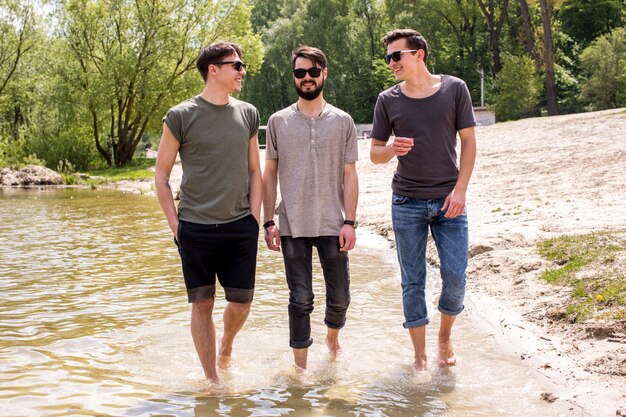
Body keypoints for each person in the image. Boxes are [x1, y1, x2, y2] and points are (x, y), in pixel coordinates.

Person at [369, 29, 477, 371]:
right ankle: (418, 355)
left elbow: (469, 143)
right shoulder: (388, 100)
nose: (390, 63)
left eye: (395, 56)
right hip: (406, 202)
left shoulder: (454, 89)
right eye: (387, 57)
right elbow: (374, 154)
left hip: (450, 201)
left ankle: (445, 336)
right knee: (412, 281)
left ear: (419, 55)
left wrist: (460, 190)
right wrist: (390, 150)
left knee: (456, 276)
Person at [155, 42, 262, 382]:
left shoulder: (248, 113)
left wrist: (255, 218)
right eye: (237, 65)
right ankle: (212, 380)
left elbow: (255, 171)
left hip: (240, 225)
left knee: (241, 304)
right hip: (195, 227)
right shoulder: (180, 115)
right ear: (213, 70)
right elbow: (161, 174)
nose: (242, 71)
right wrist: (176, 225)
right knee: (202, 305)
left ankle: (227, 343)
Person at [262, 46, 359, 370]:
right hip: (292, 225)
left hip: (334, 224)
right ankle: (300, 371)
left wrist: (350, 222)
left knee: (341, 298)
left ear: (324, 74)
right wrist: (268, 221)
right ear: (294, 77)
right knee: (301, 299)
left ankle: (333, 339)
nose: (306, 78)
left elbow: (350, 174)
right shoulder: (277, 121)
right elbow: (269, 173)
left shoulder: (343, 121)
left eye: (313, 72)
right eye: (300, 72)